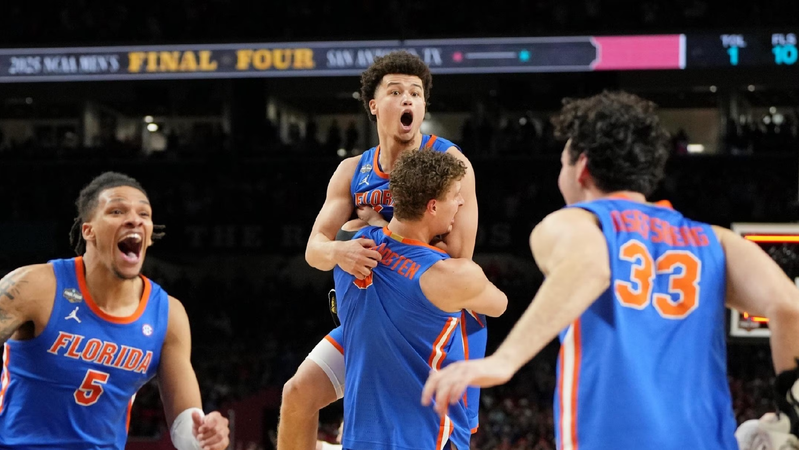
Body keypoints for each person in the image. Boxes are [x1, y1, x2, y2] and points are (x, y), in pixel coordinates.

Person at [421, 91, 799, 449]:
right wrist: (790, 412)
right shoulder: (714, 240)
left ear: (581, 167)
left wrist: (504, 361)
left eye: (562, 162)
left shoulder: (574, 223)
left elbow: (590, 266)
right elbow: (790, 308)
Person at [278, 50, 485, 450]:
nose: (408, 99)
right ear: (374, 105)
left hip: (430, 329)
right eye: (395, 91)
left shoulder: (451, 164)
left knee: (438, 439)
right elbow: (314, 249)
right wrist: (340, 252)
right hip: (369, 323)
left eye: (416, 93)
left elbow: (459, 259)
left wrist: (373, 229)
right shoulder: (352, 170)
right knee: (297, 394)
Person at [0, 172, 230, 450]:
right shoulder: (34, 287)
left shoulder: (168, 315)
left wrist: (207, 435)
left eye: (144, 213)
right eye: (117, 210)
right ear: (89, 231)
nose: (134, 219)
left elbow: (186, 432)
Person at [335, 149, 506, 450]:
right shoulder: (453, 276)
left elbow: (371, 235)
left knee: (299, 392)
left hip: (359, 438)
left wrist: (377, 224)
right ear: (432, 207)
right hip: (425, 438)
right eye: (455, 195)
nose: (461, 202)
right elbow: (499, 304)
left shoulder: (348, 242)